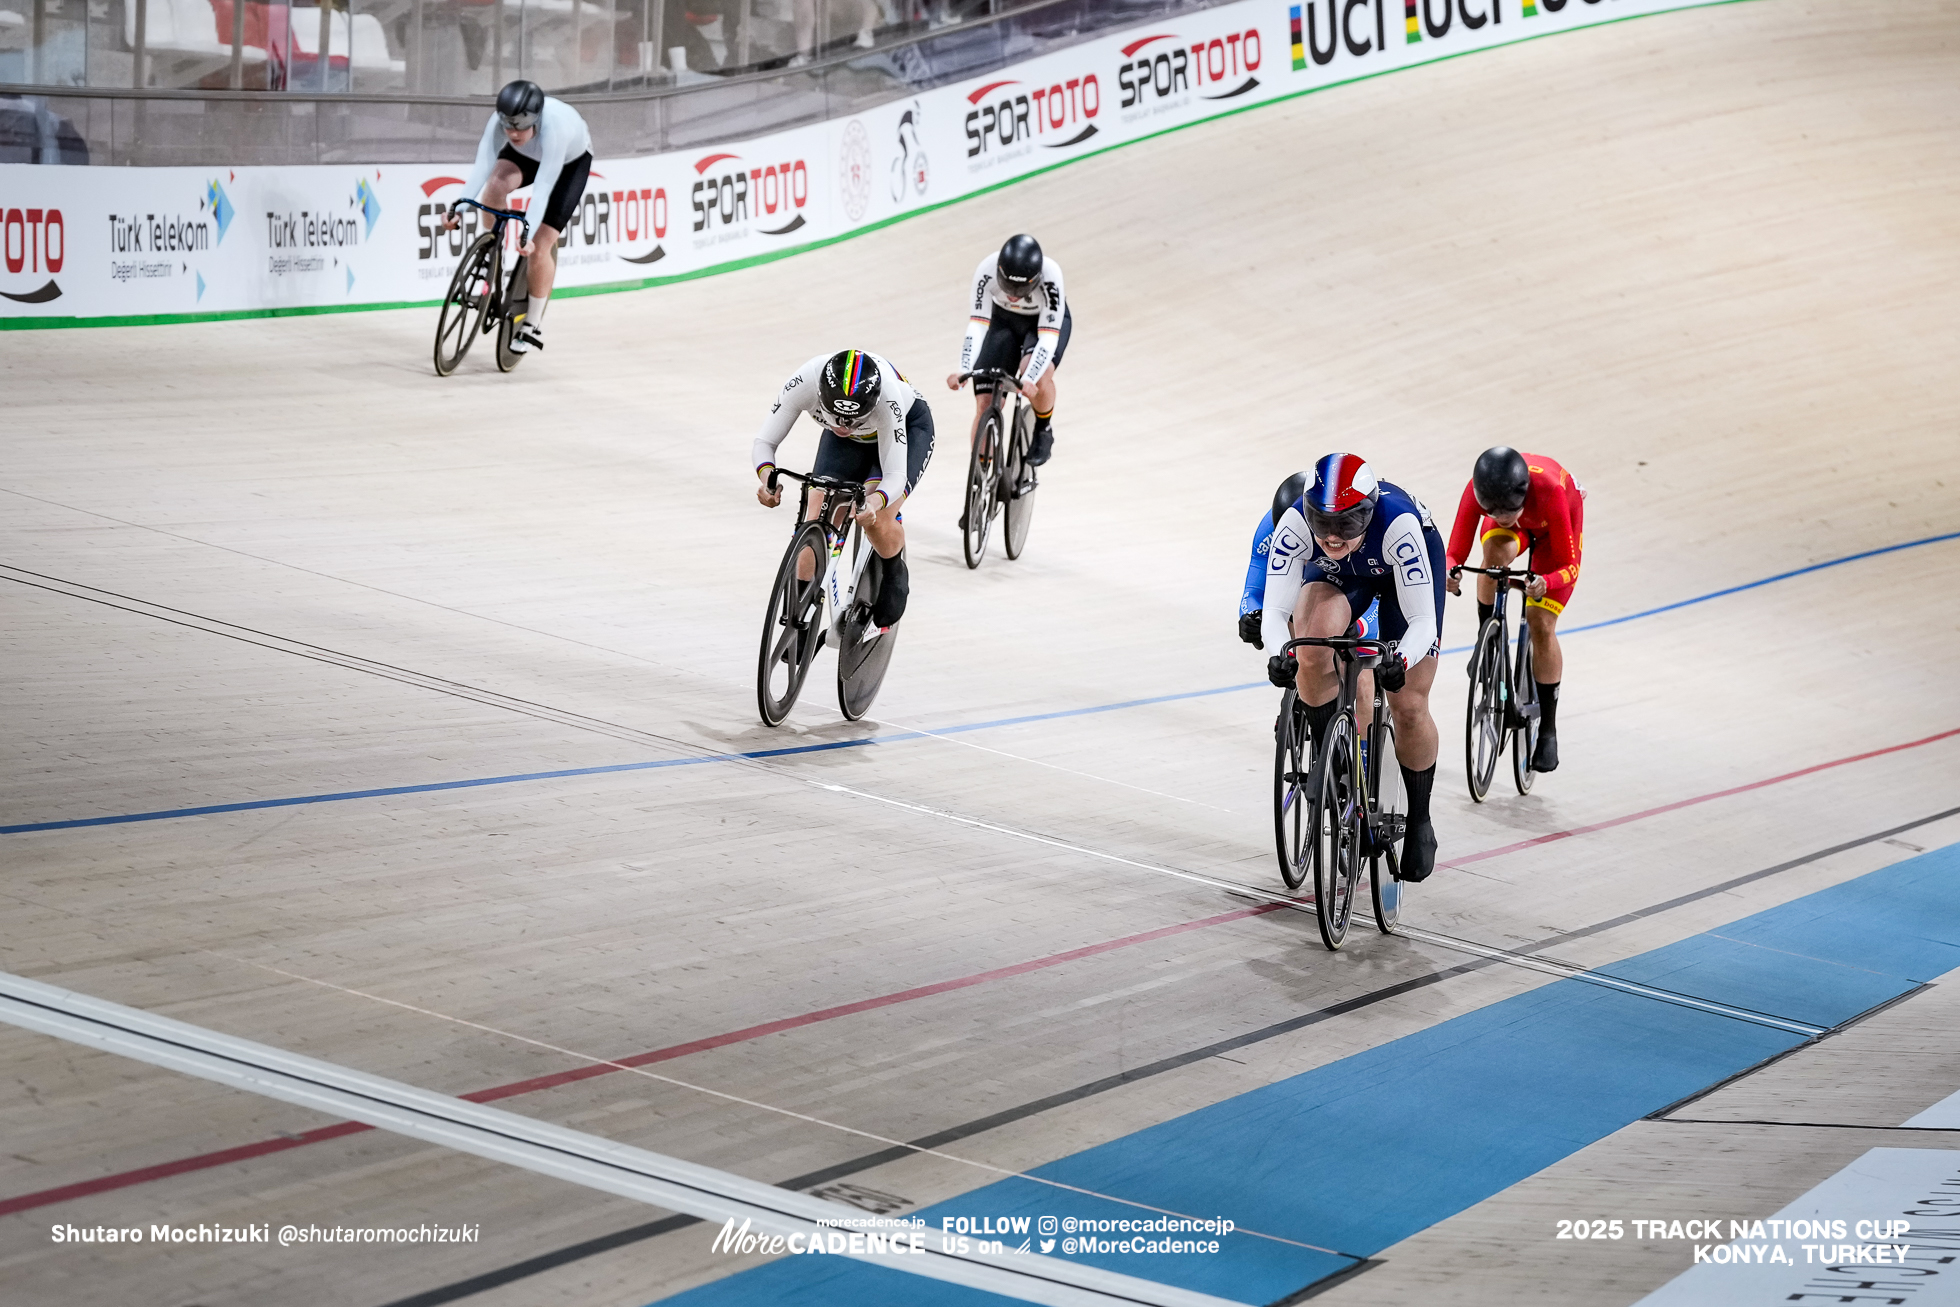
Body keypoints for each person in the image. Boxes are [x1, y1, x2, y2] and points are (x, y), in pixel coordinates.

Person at [1260, 454, 1447, 881]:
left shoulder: (1399, 525)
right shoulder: (1297, 525)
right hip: (1348, 574)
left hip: (1399, 566)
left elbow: (1422, 622)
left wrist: (1401, 658)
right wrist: (1279, 653)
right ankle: (1337, 765)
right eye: (1322, 524)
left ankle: (1420, 820)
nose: (1332, 537)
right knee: (1310, 645)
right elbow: (1275, 609)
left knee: (1409, 701)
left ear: (1367, 511)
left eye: (1346, 524)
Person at [752, 349, 934, 629]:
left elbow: (895, 475)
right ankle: (799, 615)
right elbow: (765, 442)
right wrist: (767, 478)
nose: (844, 426)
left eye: (853, 419)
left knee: (878, 518)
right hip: (852, 442)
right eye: (836, 417)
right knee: (816, 514)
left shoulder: (889, 399)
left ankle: (894, 568)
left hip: (907, 430)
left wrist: (874, 503)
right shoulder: (805, 381)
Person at [1443, 446, 1585, 774]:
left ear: (1520, 495)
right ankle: (1487, 639)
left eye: (1508, 509)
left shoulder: (1550, 491)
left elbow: (1569, 565)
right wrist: (1450, 572)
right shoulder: (1478, 491)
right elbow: (1454, 552)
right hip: (1523, 527)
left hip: (1555, 532)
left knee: (1541, 621)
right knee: (1492, 559)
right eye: (1492, 510)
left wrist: (1547, 582)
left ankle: (1548, 730)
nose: (1501, 515)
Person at [442, 80, 592, 354]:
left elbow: (543, 189)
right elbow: (482, 167)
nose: (511, 132)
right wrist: (458, 210)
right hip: (526, 154)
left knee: (539, 248)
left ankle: (532, 322)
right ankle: (490, 251)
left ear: (535, 119)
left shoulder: (554, 129)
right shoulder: (503, 124)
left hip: (569, 165)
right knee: (494, 187)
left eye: (519, 126)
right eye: (507, 126)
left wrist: (527, 235)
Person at [945, 233, 1069, 468]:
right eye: (1007, 285)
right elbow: (978, 324)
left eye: (1019, 288)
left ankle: (1043, 429)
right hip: (1004, 321)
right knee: (985, 403)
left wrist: (1030, 378)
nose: (1012, 293)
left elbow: (1048, 337)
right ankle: (981, 480)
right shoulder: (987, 269)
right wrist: (963, 369)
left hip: (1041, 325)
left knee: (1038, 376)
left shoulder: (1051, 275)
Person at [1238, 470, 1376, 649]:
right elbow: (1254, 591)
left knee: (1366, 675)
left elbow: (1376, 595)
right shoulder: (1271, 531)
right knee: (1287, 616)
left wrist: (1358, 626)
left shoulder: (1345, 534)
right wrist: (1252, 616)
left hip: (1353, 583)